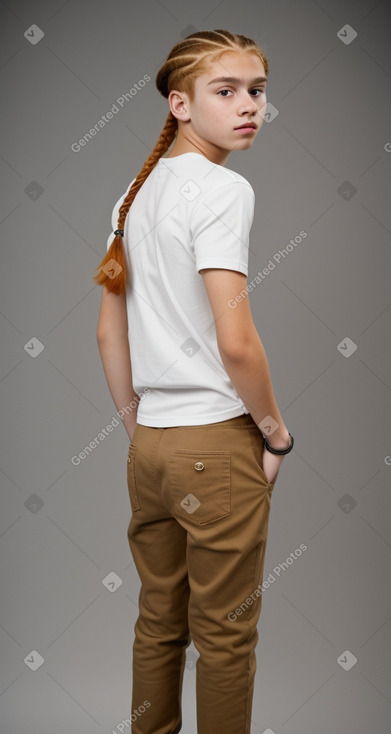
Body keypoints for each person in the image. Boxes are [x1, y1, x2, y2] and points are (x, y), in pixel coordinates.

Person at [93, 29, 294, 734]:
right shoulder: (222, 190)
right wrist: (276, 436)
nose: (249, 107)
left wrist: (139, 431)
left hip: (150, 449)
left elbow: (107, 333)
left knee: (158, 624)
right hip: (215, 445)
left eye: (258, 90)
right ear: (178, 104)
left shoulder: (134, 193)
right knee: (225, 640)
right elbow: (235, 342)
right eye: (226, 91)